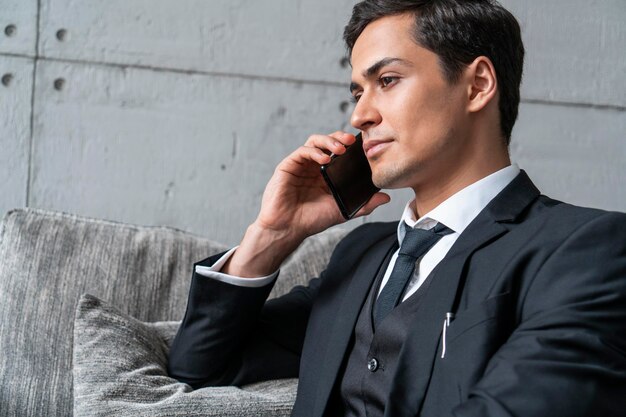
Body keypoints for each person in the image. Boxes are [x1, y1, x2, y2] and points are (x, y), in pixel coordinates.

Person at [168, 0, 626, 416]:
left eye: (387, 80)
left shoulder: (588, 249)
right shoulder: (360, 254)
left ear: (478, 85)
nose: (359, 116)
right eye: (357, 92)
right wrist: (272, 236)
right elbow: (198, 368)